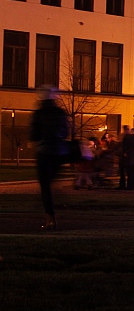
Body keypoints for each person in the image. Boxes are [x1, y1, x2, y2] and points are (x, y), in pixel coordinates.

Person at [30, 88, 70, 230]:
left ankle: (50, 217)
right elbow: (66, 132)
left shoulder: (39, 114)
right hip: (59, 151)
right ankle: (57, 202)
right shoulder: (60, 113)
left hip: (44, 151)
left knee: (45, 186)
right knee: (53, 181)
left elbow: (34, 135)